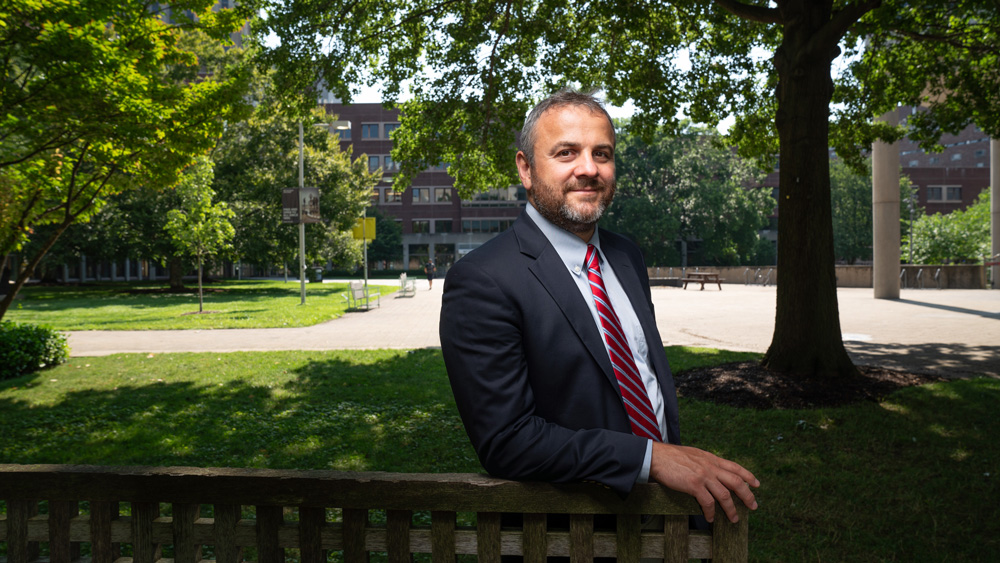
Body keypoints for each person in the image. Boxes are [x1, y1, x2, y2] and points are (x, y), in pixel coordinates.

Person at [439, 90, 759, 525]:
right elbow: (508, 441)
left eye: (602, 154)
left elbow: (640, 377)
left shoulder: (626, 256)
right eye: (566, 152)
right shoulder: (483, 280)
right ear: (526, 169)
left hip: (671, 518)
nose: (588, 169)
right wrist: (652, 458)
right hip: (572, 534)